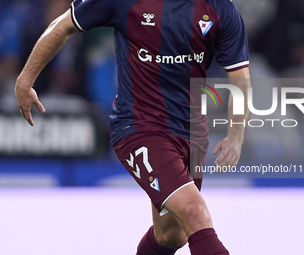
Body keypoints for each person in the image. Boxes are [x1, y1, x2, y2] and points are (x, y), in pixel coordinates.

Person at [15, 0, 250, 254]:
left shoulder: (220, 9)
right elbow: (62, 26)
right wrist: (25, 80)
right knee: (195, 213)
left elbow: (239, 77)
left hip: (192, 134)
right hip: (139, 127)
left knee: (172, 235)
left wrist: (235, 136)